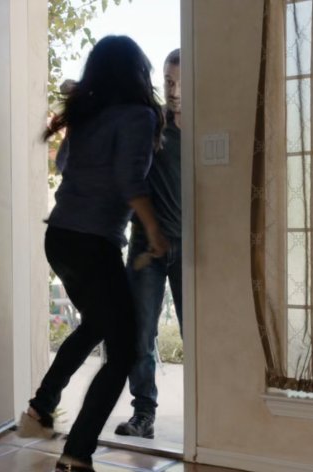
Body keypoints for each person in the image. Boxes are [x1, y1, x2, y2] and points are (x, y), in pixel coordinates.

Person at [19, 36, 169, 472]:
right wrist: (155, 231)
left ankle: (42, 407)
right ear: (137, 71)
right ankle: (77, 455)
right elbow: (129, 181)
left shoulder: (87, 115)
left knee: (97, 326)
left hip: (61, 238)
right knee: (122, 351)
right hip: (91, 241)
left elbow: (64, 164)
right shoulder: (141, 115)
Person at [115, 48, 182, 440]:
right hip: (146, 246)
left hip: (190, 246)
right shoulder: (152, 123)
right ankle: (143, 413)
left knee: (199, 331)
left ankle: (209, 417)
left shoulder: (207, 124)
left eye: (179, 83)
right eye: (168, 82)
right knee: (141, 332)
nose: (172, 91)